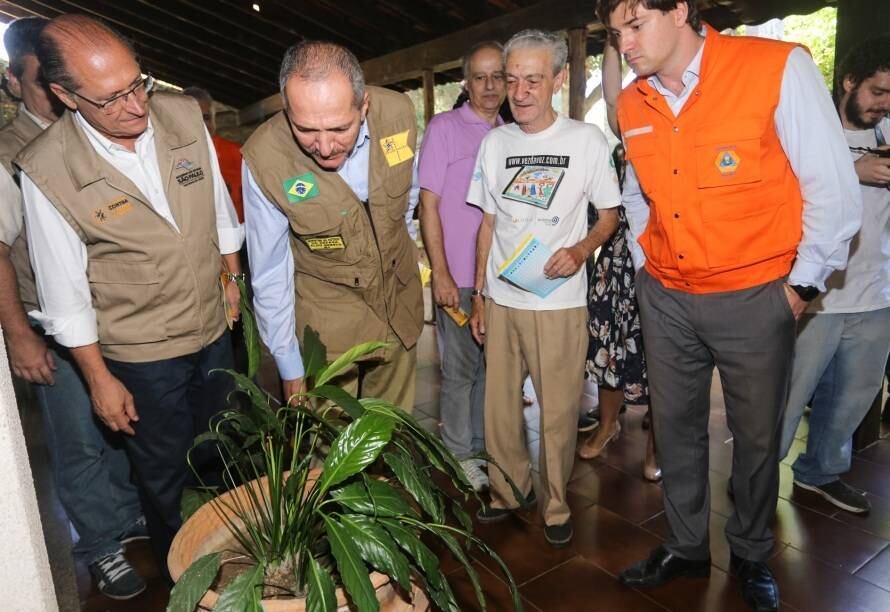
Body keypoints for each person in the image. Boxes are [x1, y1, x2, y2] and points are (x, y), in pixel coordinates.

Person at [598, 1, 862, 610]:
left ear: (681, 10)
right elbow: (638, 192)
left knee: (757, 437)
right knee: (675, 429)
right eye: (615, 33)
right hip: (665, 295)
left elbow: (833, 191)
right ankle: (686, 546)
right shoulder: (632, 102)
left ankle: (749, 551)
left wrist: (800, 288)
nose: (625, 44)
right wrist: (645, 265)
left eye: (635, 26)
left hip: (756, 294)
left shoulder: (776, 69)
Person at [17, 14, 244, 575]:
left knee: (223, 453)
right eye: (111, 98)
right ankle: (188, 581)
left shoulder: (183, 114)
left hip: (213, 330)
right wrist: (99, 379)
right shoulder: (46, 169)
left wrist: (231, 276)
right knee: (166, 476)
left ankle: (240, 564)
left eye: (138, 83)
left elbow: (218, 209)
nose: (136, 107)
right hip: (140, 353)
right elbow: (65, 295)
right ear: (65, 95)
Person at [0, 16, 148, 600]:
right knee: (79, 437)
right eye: (42, 80)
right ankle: (100, 544)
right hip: (49, 319)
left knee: (125, 425)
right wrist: (18, 333)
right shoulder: (13, 152)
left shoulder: (101, 126)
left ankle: (128, 515)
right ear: (17, 82)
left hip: (117, 311)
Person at [468, 29, 621, 549]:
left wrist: (580, 250)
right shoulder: (495, 143)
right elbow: (487, 225)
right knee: (500, 410)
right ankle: (509, 493)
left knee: (557, 411)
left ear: (558, 79)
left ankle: (556, 503)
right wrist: (478, 295)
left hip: (558, 301)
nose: (520, 91)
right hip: (503, 297)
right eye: (513, 80)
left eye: (533, 80)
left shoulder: (586, 141)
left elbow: (610, 217)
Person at [242, 41, 423, 410]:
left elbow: (408, 196)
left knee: (393, 442)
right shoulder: (265, 158)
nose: (324, 147)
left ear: (364, 105)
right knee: (328, 455)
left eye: (340, 128)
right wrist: (289, 366)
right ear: (286, 109)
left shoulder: (399, 114)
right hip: (325, 330)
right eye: (305, 129)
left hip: (398, 310)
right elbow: (270, 271)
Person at [779, 35, 890, 515]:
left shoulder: (888, 133)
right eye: (878, 92)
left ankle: (821, 472)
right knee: (783, 400)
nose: (884, 105)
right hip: (815, 294)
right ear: (849, 82)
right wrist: (854, 170)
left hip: (876, 293)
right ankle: (756, 476)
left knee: (851, 401)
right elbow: (784, 182)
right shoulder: (812, 130)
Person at [417, 41, 506, 492]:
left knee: (492, 369)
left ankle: (477, 446)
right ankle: (457, 455)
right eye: (480, 77)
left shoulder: (512, 132)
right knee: (460, 372)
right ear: (466, 82)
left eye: (498, 76)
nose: (489, 86)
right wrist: (441, 274)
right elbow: (427, 207)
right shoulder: (445, 128)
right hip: (459, 278)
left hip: (498, 280)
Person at [577, 40, 660, 484]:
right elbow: (611, 96)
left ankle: (657, 444)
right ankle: (608, 426)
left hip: (666, 258)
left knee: (663, 355)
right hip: (621, 258)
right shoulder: (631, 124)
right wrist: (612, 41)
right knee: (608, 343)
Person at [182, 86, 244, 223]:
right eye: (194, 117)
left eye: (206, 117)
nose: (202, 124)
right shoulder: (169, 160)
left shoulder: (238, 154)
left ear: (214, 119)